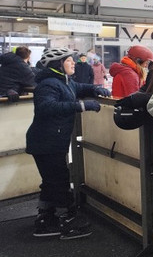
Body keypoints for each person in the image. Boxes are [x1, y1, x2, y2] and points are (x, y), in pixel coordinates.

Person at [26, 47, 110, 239]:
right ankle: (69, 221)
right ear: (58, 65)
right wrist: (82, 105)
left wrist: (94, 88)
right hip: (46, 142)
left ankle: (45, 220)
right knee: (60, 181)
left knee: (51, 180)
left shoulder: (64, 82)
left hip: (51, 141)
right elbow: (46, 107)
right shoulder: (48, 84)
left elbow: (79, 87)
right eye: (69, 60)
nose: (73, 62)